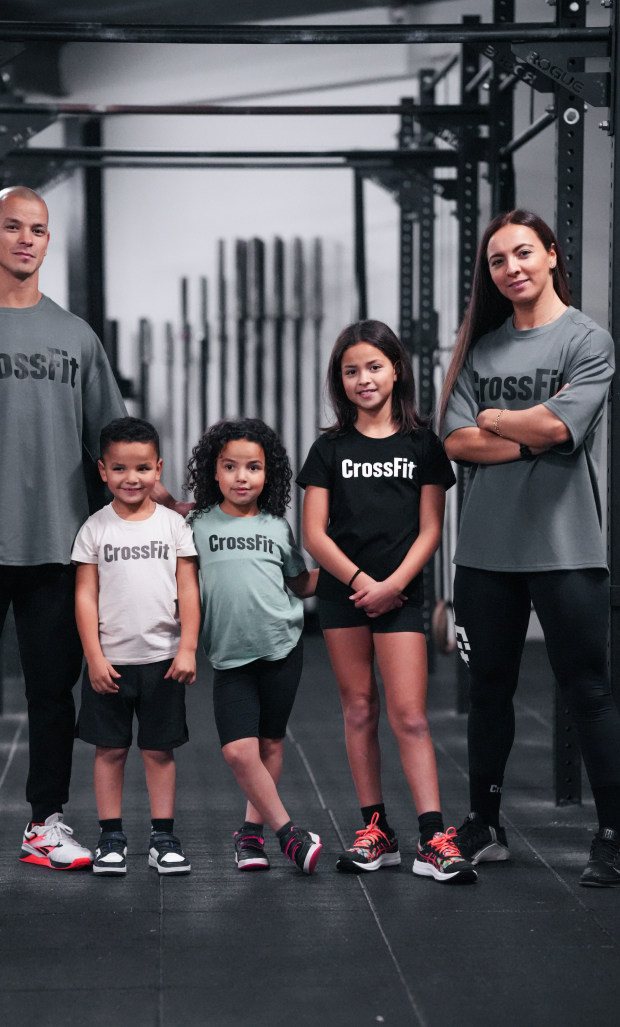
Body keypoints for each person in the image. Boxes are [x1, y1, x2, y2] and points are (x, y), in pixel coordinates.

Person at [0, 186, 183, 879]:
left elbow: (114, 446)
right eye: (14, 227)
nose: (27, 239)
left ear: (48, 241)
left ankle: (45, 821)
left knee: (53, 694)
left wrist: (170, 506)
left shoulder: (76, 337)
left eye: (39, 230)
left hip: (60, 547)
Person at [440, 208, 620, 889]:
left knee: (588, 692)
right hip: (485, 551)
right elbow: (457, 441)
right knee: (488, 691)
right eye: (497, 260)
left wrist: (498, 421)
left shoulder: (587, 340)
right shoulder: (479, 349)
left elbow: (560, 428)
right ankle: (484, 825)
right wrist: (528, 432)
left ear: (550, 254)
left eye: (522, 253)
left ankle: (612, 836)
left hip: (567, 547)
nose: (511, 268)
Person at [299, 320, 476, 884]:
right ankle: (376, 831)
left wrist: (393, 585)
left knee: (410, 715)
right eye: (351, 370)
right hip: (343, 595)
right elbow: (314, 534)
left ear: (396, 369)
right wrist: (361, 582)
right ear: (340, 380)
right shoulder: (329, 448)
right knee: (358, 709)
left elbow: (431, 529)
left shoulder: (423, 445)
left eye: (374, 366)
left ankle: (433, 838)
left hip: (400, 595)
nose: (363, 379)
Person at [186, 418, 322, 875]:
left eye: (253, 467)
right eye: (230, 467)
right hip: (229, 656)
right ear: (214, 471)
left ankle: (251, 835)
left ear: (268, 474)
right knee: (237, 751)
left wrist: (348, 569)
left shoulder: (277, 527)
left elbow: (299, 584)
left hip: (282, 647)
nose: (242, 477)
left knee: (269, 743)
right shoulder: (195, 523)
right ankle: (289, 834)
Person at [72, 417, 199, 876]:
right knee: (109, 751)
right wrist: (94, 657)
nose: (132, 478)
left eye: (143, 468)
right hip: (111, 664)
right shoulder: (93, 529)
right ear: (103, 471)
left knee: (159, 751)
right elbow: (85, 596)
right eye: (120, 469)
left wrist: (188, 648)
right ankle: (111, 837)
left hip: (163, 661)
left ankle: (163, 838)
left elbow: (188, 589)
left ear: (158, 468)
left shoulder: (174, 526)